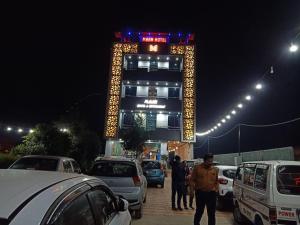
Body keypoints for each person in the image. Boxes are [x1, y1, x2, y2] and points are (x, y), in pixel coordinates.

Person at [191, 153, 219, 225]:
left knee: (211, 213)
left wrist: (216, 190)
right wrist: (192, 190)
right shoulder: (197, 168)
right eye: (209, 161)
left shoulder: (215, 170)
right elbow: (192, 180)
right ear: (204, 160)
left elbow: (216, 181)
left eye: (211, 161)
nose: (210, 162)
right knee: (199, 211)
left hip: (211, 194)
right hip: (200, 193)